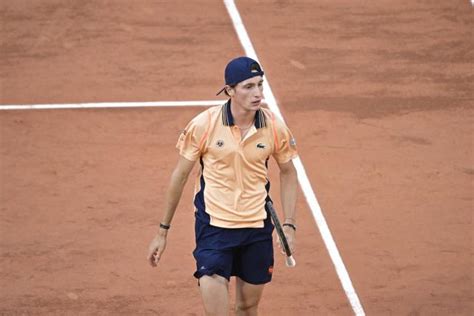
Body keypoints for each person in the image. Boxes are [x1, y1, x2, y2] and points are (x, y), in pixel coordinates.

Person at [147, 56, 298, 316]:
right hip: (214, 228)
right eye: (248, 86)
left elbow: (288, 172)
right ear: (229, 90)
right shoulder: (204, 125)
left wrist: (289, 224)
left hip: (256, 228)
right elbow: (179, 176)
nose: (257, 93)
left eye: (260, 84)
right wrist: (163, 231)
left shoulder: (274, 127)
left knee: (248, 308)